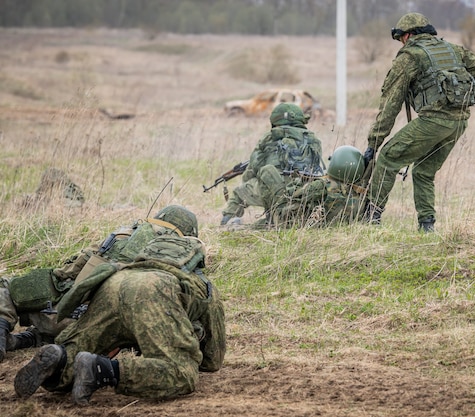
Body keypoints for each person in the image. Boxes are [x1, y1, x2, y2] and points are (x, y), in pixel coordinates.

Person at [14, 205, 226, 405]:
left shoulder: (134, 261)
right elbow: (212, 360)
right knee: (181, 372)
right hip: (153, 292)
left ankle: (60, 359)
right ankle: (103, 370)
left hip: (112, 282)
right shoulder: (201, 282)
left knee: (76, 349)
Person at [0, 205, 206, 361]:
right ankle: (39, 340)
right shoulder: (180, 257)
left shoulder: (117, 239)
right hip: (108, 336)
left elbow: (64, 275)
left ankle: (12, 332)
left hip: (60, 317)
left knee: (9, 286)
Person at [361, 12, 475, 231]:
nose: (401, 42)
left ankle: (370, 219)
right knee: (423, 172)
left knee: (388, 157)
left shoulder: (410, 57)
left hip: (433, 122)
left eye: (401, 37)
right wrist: (458, 94)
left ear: (408, 35)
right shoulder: (453, 49)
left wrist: (373, 143)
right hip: (458, 123)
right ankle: (427, 226)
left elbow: (390, 103)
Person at [220, 102, 325, 226]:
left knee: (239, 193)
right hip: (303, 190)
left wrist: (247, 182)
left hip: (275, 188)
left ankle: (226, 222)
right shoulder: (313, 139)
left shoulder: (270, 137)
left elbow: (254, 167)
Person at [257, 145, 367, 228]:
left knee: (267, 170)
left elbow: (292, 195)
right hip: (320, 225)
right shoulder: (358, 194)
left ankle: (271, 220)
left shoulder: (322, 185)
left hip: (289, 222)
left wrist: (297, 181)